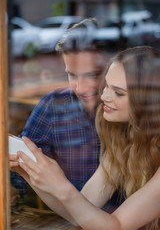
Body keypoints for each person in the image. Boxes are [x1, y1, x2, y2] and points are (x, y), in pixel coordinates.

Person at [10, 46, 160, 230]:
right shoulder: (126, 141)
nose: (104, 96)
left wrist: (60, 185)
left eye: (118, 92)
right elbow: (81, 214)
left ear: (150, 103)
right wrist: (31, 174)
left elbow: (117, 226)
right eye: (106, 85)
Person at [10, 18, 122, 211]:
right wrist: (13, 182)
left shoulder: (137, 122)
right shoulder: (54, 105)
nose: (81, 88)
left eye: (93, 75)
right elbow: (20, 171)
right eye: (72, 75)